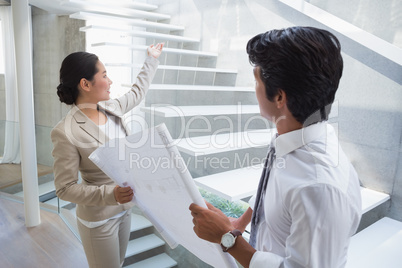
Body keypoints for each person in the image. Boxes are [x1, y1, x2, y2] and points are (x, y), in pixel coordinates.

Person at [189, 27, 362, 268]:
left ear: (280, 98)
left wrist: (227, 239)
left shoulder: (317, 187)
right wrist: (240, 223)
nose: (255, 89)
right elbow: (272, 187)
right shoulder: (293, 135)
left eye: (256, 81)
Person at [51, 43, 164, 268]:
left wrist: (151, 59)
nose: (110, 81)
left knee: (119, 263)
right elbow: (64, 188)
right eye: (104, 75)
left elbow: (137, 92)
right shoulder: (65, 131)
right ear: (85, 84)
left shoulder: (111, 107)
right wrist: (110, 194)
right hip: (99, 218)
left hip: (124, 209)